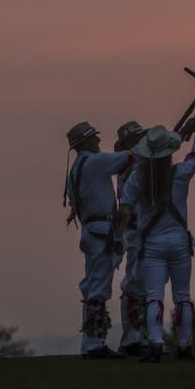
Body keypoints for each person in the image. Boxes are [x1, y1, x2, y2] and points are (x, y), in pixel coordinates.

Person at [119, 120, 195, 363]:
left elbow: (125, 209)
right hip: (179, 242)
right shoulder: (181, 173)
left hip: (151, 244)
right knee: (182, 295)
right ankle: (184, 345)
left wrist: (118, 236)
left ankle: (155, 343)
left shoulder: (137, 178)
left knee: (153, 295)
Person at [63, 121, 133, 359]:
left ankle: (92, 342)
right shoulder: (95, 162)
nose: (98, 141)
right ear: (85, 142)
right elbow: (132, 156)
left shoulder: (74, 171)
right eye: (94, 138)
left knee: (92, 285)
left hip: (90, 231)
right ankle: (94, 345)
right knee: (98, 288)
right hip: (101, 230)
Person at [113, 121, 148, 356]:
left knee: (144, 284)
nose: (139, 142)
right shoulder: (129, 163)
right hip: (134, 230)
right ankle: (132, 338)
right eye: (136, 138)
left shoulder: (138, 161)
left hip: (143, 229)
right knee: (135, 282)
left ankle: (141, 337)